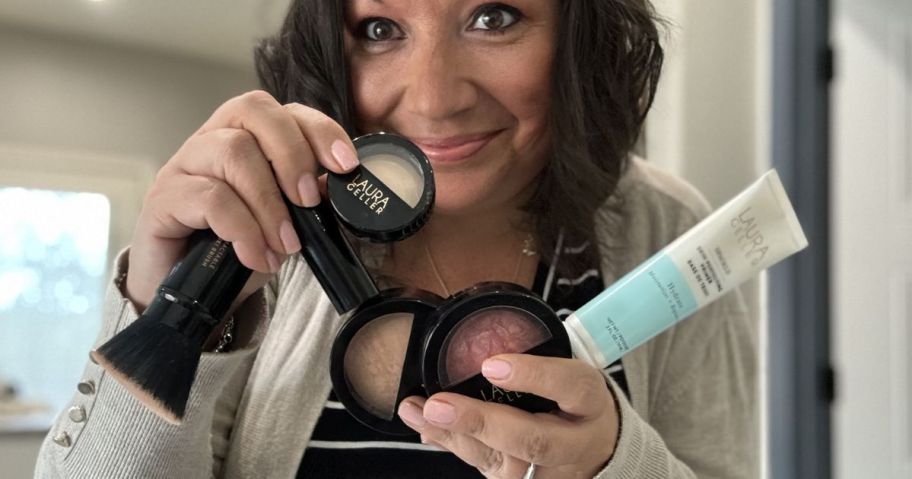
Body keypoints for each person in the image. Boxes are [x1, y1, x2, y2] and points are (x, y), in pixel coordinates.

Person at [35, 0, 758, 477]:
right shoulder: (269, 230)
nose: (435, 96)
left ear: (579, 34)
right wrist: (158, 299)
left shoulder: (664, 229)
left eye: (494, 15)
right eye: (380, 29)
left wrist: (615, 463)